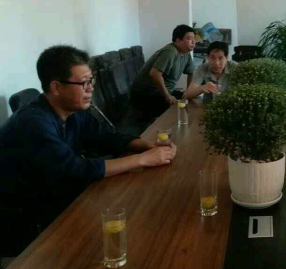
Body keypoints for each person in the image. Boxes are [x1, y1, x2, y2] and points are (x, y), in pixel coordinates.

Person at [0, 45, 176, 238]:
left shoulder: (73, 110)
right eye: (84, 83)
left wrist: (146, 145)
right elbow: (74, 171)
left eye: (91, 81)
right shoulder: (34, 123)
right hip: (25, 221)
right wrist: (142, 159)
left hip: (57, 197)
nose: (91, 88)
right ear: (56, 87)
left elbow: (105, 135)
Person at [130, 24, 196, 117]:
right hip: (145, 94)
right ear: (178, 40)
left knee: (191, 101)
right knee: (178, 111)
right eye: (189, 38)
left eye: (194, 38)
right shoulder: (170, 52)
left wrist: (189, 92)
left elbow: (191, 72)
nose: (193, 41)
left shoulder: (186, 53)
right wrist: (168, 96)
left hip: (162, 92)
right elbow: (154, 74)